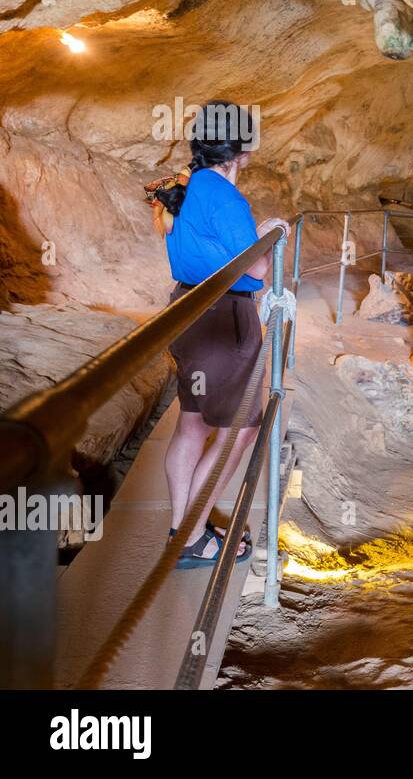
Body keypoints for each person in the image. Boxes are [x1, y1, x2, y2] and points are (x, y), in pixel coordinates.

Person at [147, 101, 288, 569]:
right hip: (222, 321)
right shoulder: (226, 198)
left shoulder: (184, 188)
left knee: (192, 425)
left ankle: (182, 527)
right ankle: (190, 536)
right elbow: (260, 270)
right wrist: (266, 234)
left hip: (185, 311)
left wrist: (253, 235)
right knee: (240, 433)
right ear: (243, 150)